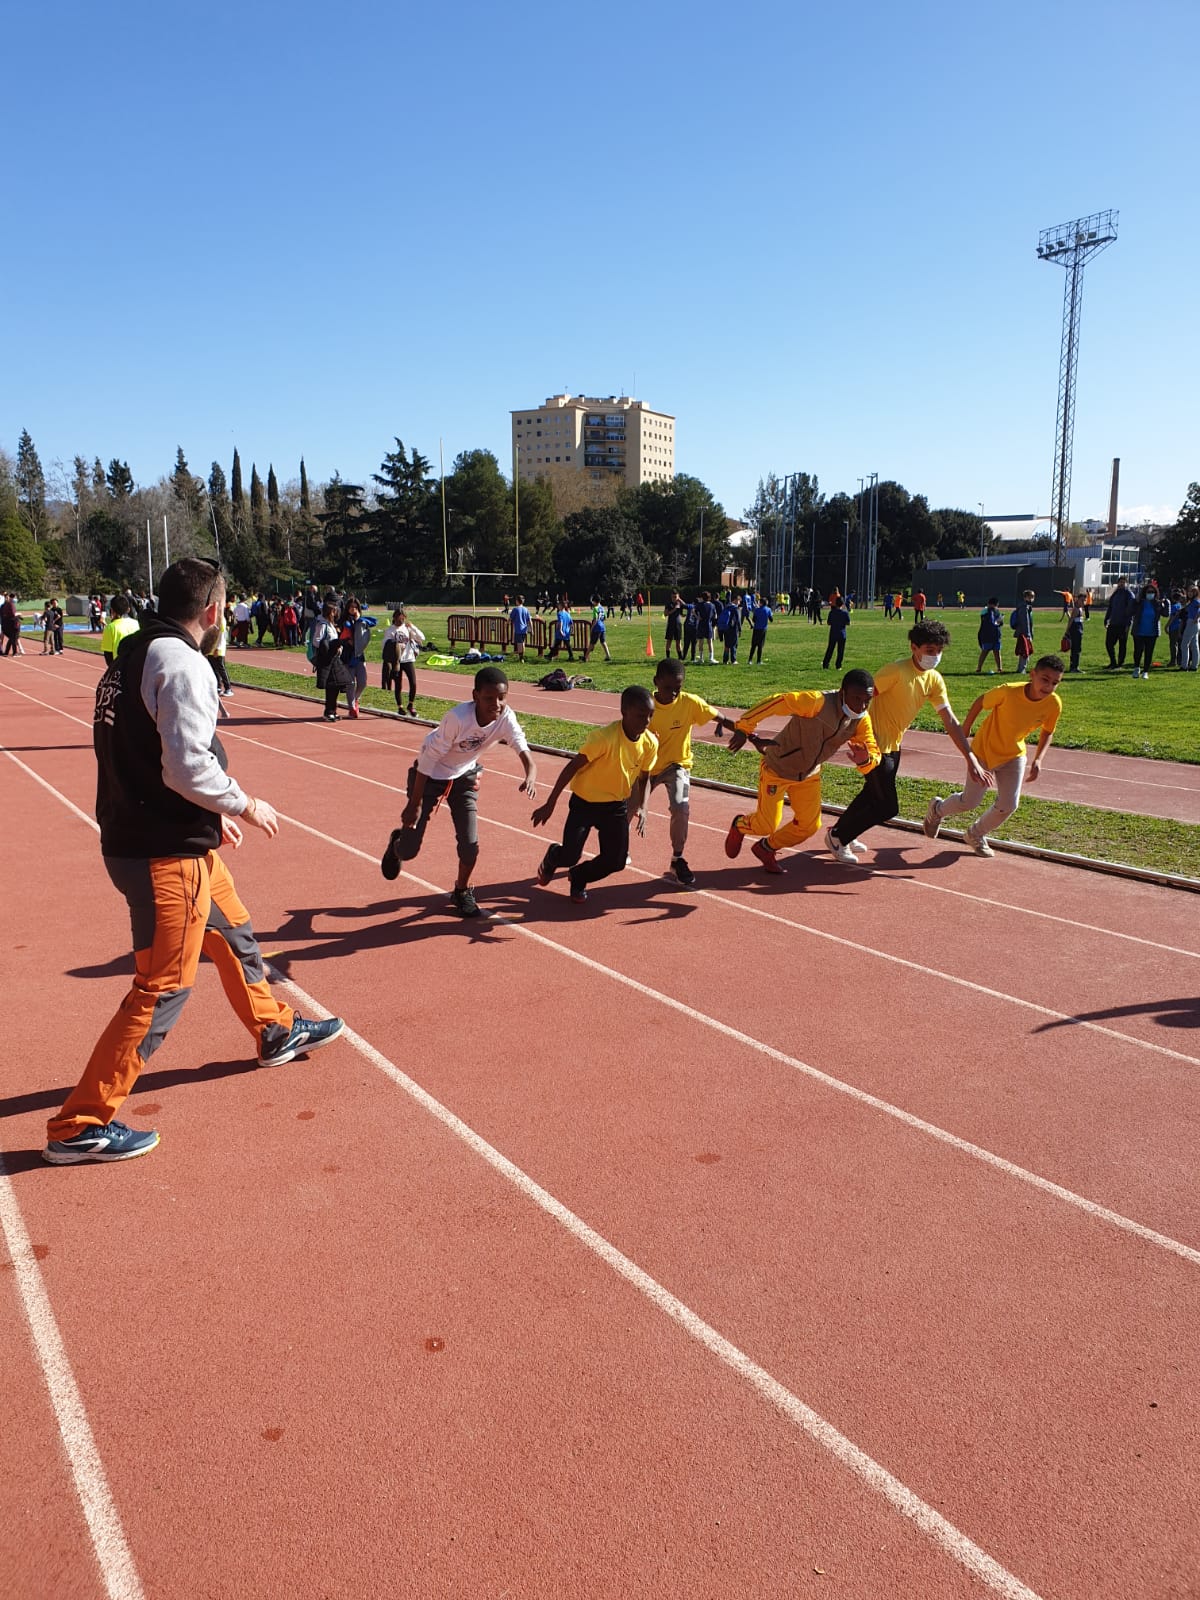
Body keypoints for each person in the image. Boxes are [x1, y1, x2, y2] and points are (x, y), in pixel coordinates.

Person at [43, 558, 343, 1165]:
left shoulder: (131, 654)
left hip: (163, 837)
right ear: (212, 610)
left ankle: (274, 1029)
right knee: (163, 988)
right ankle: (81, 1122)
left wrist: (208, 813)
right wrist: (244, 804)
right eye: (224, 609)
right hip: (162, 854)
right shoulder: (181, 662)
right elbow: (185, 766)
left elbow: (142, 752)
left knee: (233, 930)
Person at [826, 621, 991, 865]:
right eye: (929, 650)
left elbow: (949, 720)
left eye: (939, 651)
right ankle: (838, 837)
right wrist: (846, 732)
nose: (935, 656)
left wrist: (971, 758)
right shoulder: (895, 671)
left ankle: (842, 832)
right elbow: (858, 698)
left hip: (894, 745)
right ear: (914, 647)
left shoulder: (934, 680)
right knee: (887, 807)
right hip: (872, 744)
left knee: (871, 793)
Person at [380, 666, 537, 919]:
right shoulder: (458, 718)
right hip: (429, 776)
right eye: (489, 698)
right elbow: (428, 759)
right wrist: (415, 803)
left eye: (502, 697)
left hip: (464, 777)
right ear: (475, 696)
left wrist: (530, 772)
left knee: (470, 845)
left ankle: (461, 891)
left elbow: (520, 743)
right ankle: (397, 844)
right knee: (409, 851)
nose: (496, 704)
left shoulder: (506, 717)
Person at [723, 670, 879, 874]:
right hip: (778, 769)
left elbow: (872, 749)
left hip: (808, 774)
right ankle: (740, 825)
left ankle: (766, 848)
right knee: (765, 825)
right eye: (856, 698)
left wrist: (866, 760)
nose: (862, 706)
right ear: (842, 692)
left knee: (809, 825)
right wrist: (744, 727)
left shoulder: (862, 719)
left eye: (867, 700)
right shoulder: (816, 702)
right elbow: (778, 701)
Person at [924, 655, 1064, 858]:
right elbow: (981, 702)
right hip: (984, 752)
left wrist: (1038, 759)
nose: (1049, 686)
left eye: (1055, 683)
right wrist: (966, 727)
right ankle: (937, 809)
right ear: (1032, 674)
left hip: (1014, 755)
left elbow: (1048, 731)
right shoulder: (1008, 692)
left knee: (1009, 805)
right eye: (1045, 679)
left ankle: (975, 834)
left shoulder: (1053, 704)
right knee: (969, 802)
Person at [533, 686, 657, 904]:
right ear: (624, 712)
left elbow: (644, 778)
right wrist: (550, 803)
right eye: (640, 715)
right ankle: (554, 856)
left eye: (650, 715)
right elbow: (572, 767)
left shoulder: (650, 743)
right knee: (570, 855)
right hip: (585, 803)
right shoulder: (604, 738)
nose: (646, 721)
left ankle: (579, 877)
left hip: (615, 806)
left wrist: (643, 806)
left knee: (616, 861)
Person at [638, 659, 737, 886]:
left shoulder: (689, 703)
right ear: (656, 682)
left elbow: (720, 718)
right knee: (629, 808)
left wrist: (744, 732)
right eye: (668, 688)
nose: (673, 693)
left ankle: (677, 858)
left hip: (677, 765)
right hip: (647, 767)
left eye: (678, 687)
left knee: (681, 807)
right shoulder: (646, 705)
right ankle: (617, 849)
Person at [312, 601, 353, 720]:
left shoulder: (331, 624)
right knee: (331, 686)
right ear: (329, 612)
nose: (336, 613)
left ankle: (333, 710)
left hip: (335, 658)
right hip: (327, 660)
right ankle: (328, 712)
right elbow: (316, 641)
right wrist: (330, 646)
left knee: (337, 685)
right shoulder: (322, 625)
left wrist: (339, 646)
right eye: (334, 611)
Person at [337, 596, 377, 717]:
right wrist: (347, 641)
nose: (353, 609)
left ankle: (356, 699)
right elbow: (338, 637)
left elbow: (369, 627)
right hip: (347, 656)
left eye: (355, 607)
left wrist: (359, 619)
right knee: (350, 683)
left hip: (359, 655)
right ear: (347, 608)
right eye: (351, 607)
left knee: (363, 682)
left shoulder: (361, 621)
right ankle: (352, 708)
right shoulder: (343, 621)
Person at [382, 607, 425, 716]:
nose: (401, 621)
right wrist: (395, 646)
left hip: (408, 659)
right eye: (399, 619)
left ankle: (411, 704)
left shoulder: (407, 628)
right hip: (397, 661)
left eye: (403, 619)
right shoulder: (390, 630)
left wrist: (413, 627)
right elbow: (384, 646)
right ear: (394, 618)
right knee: (398, 684)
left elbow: (422, 638)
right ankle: (400, 707)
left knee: (413, 683)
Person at [1130, 582, 1164, 678]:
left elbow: (1166, 614)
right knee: (1138, 651)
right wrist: (1134, 601)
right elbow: (1129, 611)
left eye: (1152, 592)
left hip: (1152, 633)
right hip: (1139, 631)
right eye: (1148, 592)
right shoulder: (1139, 603)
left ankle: (1145, 671)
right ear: (1144, 593)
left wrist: (1165, 603)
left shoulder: (1157, 604)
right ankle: (1137, 668)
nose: (1150, 594)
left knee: (1149, 652)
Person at [1102, 575, 1136, 669]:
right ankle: (1113, 662)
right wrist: (1106, 618)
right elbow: (1110, 607)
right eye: (1120, 582)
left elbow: (1131, 610)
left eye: (1123, 582)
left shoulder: (1129, 594)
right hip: (1113, 622)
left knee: (1122, 644)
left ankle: (1120, 664)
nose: (1121, 584)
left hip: (1123, 624)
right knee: (1109, 643)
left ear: (1127, 584)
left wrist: (1128, 623)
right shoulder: (1115, 594)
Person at [101, 594, 139, 665]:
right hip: (137, 665)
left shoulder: (110, 627)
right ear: (128, 609)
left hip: (120, 667)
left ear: (112, 610)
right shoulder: (137, 624)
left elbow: (108, 655)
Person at [1010, 590, 1036, 675]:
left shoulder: (1027, 607)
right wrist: (1028, 634)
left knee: (1025, 651)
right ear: (1025, 597)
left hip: (1025, 632)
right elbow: (1025, 622)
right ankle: (1021, 669)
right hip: (1024, 633)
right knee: (1024, 651)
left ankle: (1021, 668)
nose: (1031, 599)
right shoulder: (1024, 607)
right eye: (1029, 597)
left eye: (1032, 597)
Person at [976, 597, 1003, 673]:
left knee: (996, 652)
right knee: (986, 652)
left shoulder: (996, 612)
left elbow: (1000, 623)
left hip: (994, 635)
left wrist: (1000, 620)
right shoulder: (986, 611)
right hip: (989, 635)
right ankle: (979, 668)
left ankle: (999, 668)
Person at [823, 595, 850, 669]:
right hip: (842, 634)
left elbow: (828, 623)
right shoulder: (845, 613)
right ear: (842, 604)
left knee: (830, 649)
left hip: (833, 633)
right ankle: (838, 665)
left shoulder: (832, 612)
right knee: (840, 651)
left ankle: (826, 663)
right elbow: (848, 623)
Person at [747, 596, 773, 664]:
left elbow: (754, 620)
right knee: (760, 645)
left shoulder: (756, 610)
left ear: (761, 603)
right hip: (763, 629)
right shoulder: (768, 609)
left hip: (756, 629)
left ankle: (750, 660)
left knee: (753, 645)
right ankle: (758, 660)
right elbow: (771, 619)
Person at [1180, 586, 1200, 672]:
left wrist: (1197, 618)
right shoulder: (1192, 602)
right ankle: (1194, 666)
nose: (1190, 593)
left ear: (1196, 593)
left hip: (1192, 622)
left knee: (1184, 644)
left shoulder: (1195, 601)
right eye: (1189, 591)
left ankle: (1184, 666)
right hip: (1194, 623)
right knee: (1194, 645)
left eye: (1193, 591)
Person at [1065, 594, 1085, 673]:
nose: (1083, 602)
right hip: (1075, 631)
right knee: (1076, 649)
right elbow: (1071, 620)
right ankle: (1074, 667)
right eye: (1082, 600)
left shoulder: (1080, 609)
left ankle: (1074, 666)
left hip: (1079, 631)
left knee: (1077, 649)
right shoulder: (1076, 609)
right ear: (1077, 600)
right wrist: (1067, 631)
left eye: (1084, 600)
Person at [694, 591, 717, 664]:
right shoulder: (712, 605)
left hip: (701, 625)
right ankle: (711, 658)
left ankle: (701, 658)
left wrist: (697, 617)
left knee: (700, 642)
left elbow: (693, 611)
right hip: (708, 625)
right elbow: (715, 616)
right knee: (710, 642)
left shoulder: (699, 605)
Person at [587, 598, 612, 662]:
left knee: (592, 643)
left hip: (597, 627)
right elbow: (605, 618)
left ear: (595, 601)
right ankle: (608, 655)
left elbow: (595, 619)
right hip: (602, 627)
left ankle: (585, 656)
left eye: (593, 601)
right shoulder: (602, 608)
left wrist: (592, 628)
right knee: (603, 641)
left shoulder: (595, 608)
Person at [719, 595, 742, 663]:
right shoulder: (735, 608)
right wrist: (740, 629)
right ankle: (733, 660)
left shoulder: (726, 607)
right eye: (739, 601)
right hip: (733, 628)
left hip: (726, 628)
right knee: (733, 644)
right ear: (735, 600)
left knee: (727, 644)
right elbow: (738, 620)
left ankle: (725, 660)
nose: (739, 603)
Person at [509, 595, 531, 662]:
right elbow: (529, 620)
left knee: (519, 644)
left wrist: (507, 623)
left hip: (518, 629)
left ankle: (521, 658)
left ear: (517, 601)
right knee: (522, 643)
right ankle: (522, 656)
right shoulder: (526, 609)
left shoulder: (515, 609)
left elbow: (510, 618)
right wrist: (531, 629)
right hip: (524, 629)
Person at [663, 591, 685, 659]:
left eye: (676, 597)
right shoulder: (669, 604)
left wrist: (680, 600)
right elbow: (665, 614)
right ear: (671, 597)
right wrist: (674, 609)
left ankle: (680, 657)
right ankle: (668, 657)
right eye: (673, 597)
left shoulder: (679, 603)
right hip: (671, 624)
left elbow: (685, 606)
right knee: (669, 641)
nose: (674, 598)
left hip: (678, 624)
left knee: (678, 642)